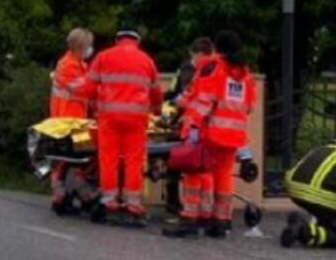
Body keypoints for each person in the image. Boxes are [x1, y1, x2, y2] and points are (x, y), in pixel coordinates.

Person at [164, 31, 256, 239]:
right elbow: (249, 106)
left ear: (217, 48)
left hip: (209, 132)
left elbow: (203, 100)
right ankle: (220, 221)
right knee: (223, 176)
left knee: (194, 172)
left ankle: (190, 219)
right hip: (234, 135)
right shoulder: (245, 74)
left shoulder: (212, 68)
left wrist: (191, 125)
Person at [88, 24, 163, 227]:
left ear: (117, 40)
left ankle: (109, 202)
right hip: (136, 119)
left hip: (109, 117)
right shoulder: (146, 60)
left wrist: (94, 103)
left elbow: (89, 86)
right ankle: (133, 205)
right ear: (137, 41)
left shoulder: (103, 57)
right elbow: (156, 92)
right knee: (134, 160)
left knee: (109, 159)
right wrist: (157, 110)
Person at [163, 38, 216, 219]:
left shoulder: (198, 72)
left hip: (193, 126)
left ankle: (191, 209)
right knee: (204, 169)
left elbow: (186, 97)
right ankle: (204, 210)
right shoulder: (217, 70)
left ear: (198, 54)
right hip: (205, 127)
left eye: (194, 56)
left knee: (192, 167)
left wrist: (174, 104)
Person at [49, 28, 98, 214]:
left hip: (75, 121)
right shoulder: (68, 65)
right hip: (67, 122)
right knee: (67, 161)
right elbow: (84, 89)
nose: (90, 49)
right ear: (80, 46)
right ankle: (63, 196)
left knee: (78, 160)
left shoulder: (79, 64)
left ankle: (74, 193)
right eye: (88, 45)